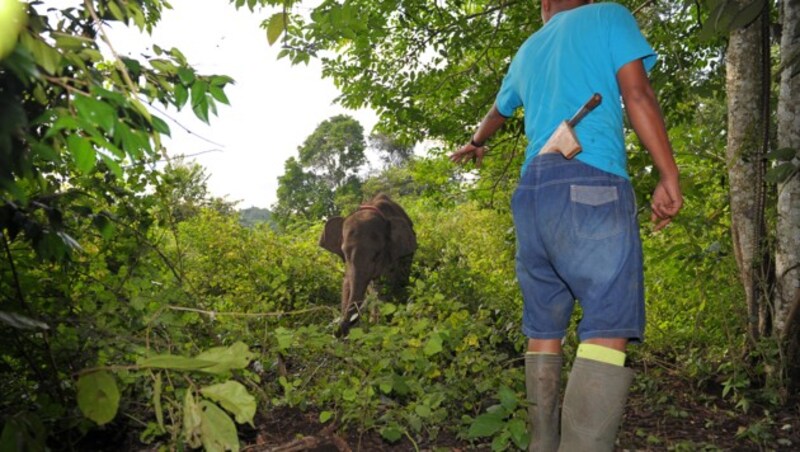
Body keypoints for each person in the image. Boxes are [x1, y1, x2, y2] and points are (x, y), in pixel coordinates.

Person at [450, 1, 682, 451]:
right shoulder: (608, 16)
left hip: (532, 197)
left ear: (544, 5)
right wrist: (668, 174)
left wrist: (476, 143)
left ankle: (542, 445)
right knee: (607, 323)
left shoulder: (528, 50)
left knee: (543, 328)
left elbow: (498, 112)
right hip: (590, 180)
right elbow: (637, 95)